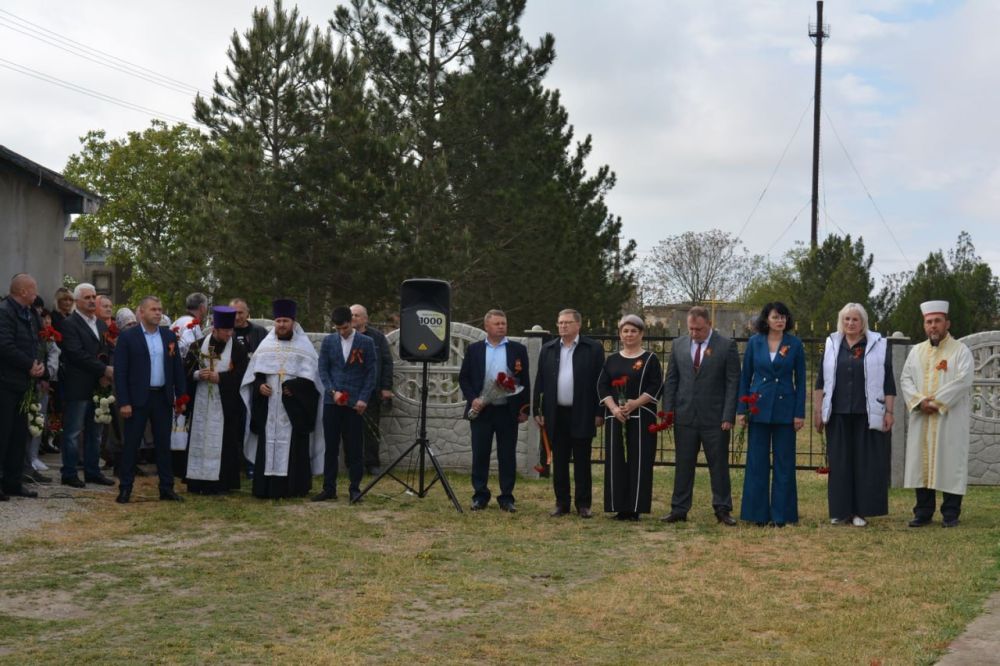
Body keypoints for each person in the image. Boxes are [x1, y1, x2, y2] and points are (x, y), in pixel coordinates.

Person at [813, 303, 895, 527]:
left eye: (855, 320)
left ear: (863, 322)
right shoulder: (832, 344)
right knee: (839, 463)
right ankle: (841, 511)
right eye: (847, 319)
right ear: (842, 321)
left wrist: (889, 411)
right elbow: (821, 380)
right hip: (838, 413)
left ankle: (861, 512)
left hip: (866, 413)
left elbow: (889, 381)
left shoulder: (877, 345)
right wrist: (818, 410)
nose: (850, 323)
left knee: (864, 464)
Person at [661, 306, 740, 526]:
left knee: (719, 465)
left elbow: (733, 383)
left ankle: (722, 509)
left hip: (715, 418)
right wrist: (668, 412)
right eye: (691, 329)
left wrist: (728, 415)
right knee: (683, 464)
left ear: (709, 325)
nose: (694, 333)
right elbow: (672, 380)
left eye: (699, 329)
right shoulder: (678, 345)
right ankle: (679, 508)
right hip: (685, 416)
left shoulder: (726, 346)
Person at [900, 300, 974, 528]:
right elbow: (906, 379)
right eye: (929, 322)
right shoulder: (916, 352)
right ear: (924, 325)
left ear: (947, 323)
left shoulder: (960, 351)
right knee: (921, 464)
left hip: (949, 418)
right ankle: (923, 512)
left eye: (937, 321)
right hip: (922, 417)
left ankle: (951, 513)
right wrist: (920, 401)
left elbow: (963, 381)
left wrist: (938, 402)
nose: (933, 326)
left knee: (950, 462)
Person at [241, 299, 325, 499]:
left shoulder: (304, 348)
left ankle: (294, 487)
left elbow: (313, 382)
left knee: (294, 446)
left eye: (285, 321)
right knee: (267, 443)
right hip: (269, 408)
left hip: (293, 411)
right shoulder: (265, 346)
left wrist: (295, 388)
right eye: (278, 320)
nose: (281, 324)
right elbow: (254, 376)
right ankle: (265, 487)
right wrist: (260, 385)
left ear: (293, 323)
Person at [737, 302, 806, 527]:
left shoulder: (794, 344)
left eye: (784, 317)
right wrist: (741, 410)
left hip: (785, 410)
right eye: (776, 317)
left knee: (784, 462)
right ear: (766, 319)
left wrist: (799, 413)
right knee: (757, 462)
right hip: (757, 408)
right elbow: (745, 377)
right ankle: (757, 514)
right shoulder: (755, 343)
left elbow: (802, 381)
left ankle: (781, 515)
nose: (780, 321)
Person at [113, 296, 187, 503]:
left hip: (162, 397)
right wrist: (124, 401)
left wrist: (181, 397)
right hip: (137, 399)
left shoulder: (168, 336)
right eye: (153, 309)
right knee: (131, 444)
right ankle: (125, 487)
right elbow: (121, 372)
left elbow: (177, 369)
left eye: (160, 309)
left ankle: (166, 487)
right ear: (141, 312)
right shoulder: (129, 337)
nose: (158, 313)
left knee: (163, 444)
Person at [532, 308, 605, 518]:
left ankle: (583, 504)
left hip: (583, 412)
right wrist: (537, 408)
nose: (562, 326)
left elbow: (601, 383)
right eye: (560, 322)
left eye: (567, 322)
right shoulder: (548, 349)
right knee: (560, 461)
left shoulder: (592, 348)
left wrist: (599, 411)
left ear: (578, 325)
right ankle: (561, 503)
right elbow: (540, 381)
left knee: (582, 460)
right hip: (556, 414)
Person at [458, 309, 531, 512]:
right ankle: (480, 495)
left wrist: (525, 409)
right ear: (486, 326)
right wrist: (473, 399)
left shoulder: (518, 349)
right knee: (480, 453)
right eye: (497, 323)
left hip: (508, 411)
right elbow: (464, 378)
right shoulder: (474, 349)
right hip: (482, 411)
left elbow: (524, 381)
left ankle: (506, 497)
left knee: (507, 454)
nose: (501, 326)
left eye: (504, 323)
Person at [597, 314, 662, 521]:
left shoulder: (650, 359)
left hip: (641, 417)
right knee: (616, 460)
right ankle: (618, 506)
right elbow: (602, 385)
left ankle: (635, 507)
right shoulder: (612, 360)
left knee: (639, 460)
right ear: (620, 334)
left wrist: (635, 403)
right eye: (625, 331)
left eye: (634, 331)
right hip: (616, 417)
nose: (629, 335)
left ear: (641, 334)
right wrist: (614, 408)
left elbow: (656, 385)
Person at [313, 306, 378, 503]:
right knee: (331, 446)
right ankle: (329, 488)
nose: (342, 331)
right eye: (338, 328)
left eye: (345, 327)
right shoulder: (329, 341)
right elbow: (323, 369)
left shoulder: (366, 342)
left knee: (355, 447)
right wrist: (332, 391)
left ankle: (355, 488)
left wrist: (363, 398)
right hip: (332, 402)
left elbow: (371, 373)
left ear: (352, 322)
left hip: (354, 403)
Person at [183, 306, 249, 495]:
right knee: (199, 437)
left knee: (225, 442)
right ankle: (196, 482)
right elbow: (185, 370)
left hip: (225, 405)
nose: (229, 334)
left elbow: (242, 375)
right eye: (225, 331)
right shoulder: (198, 346)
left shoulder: (237, 348)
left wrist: (221, 378)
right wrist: (197, 374)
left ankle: (222, 483)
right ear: (215, 329)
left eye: (231, 331)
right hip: (201, 404)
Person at [58, 283, 116, 488]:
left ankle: (93, 471)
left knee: (96, 431)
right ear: (77, 301)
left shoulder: (100, 325)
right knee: (73, 431)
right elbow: (76, 354)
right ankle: (69, 472)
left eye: (94, 297)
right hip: (78, 385)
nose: (92, 301)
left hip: (99, 385)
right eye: (87, 298)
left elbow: (107, 349)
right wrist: (103, 369)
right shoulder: (69, 324)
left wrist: (107, 371)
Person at [0, 274, 47, 500]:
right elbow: (5, 346)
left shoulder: (30, 314)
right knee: (3, 434)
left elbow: (37, 343)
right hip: (5, 382)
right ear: (23, 292)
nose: (36, 293)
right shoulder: (5, 312)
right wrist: (29, 364)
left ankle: (13, 481)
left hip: (23, 383)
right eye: (34, 289)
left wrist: (38, 365)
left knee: (19, 435)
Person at [350, 304, 393, 475]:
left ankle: (372, 463)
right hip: (350, 391)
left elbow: (387, 362)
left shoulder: (377, 338)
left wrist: (386, 387)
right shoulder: (342, 336)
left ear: (365, 319)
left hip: (372, 392)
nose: (353, 318)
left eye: (357, 315)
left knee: (371, 430)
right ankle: (353, 463)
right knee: (351, 429)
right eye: (351, 315)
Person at [172, 292, 208, 357]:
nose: (206, 310)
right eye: (206, 307)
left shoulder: (178, 321)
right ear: (201, 307)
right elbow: (190, 350)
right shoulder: (192, 324)